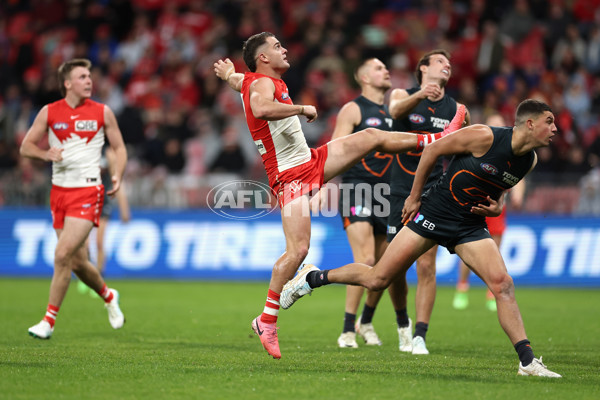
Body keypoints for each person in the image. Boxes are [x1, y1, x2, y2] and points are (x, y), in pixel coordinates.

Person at [213, 32, 466, 359]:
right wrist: (301, 109)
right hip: (289, 176)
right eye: (276, 47)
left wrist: (227, 75)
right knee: (298, 252)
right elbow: (260, 108)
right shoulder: (264, 85)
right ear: (263, 58)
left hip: (308, 161)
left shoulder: (253, 80)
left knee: (373, 136)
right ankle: (267, 320)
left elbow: (240, 82)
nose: (284, 49)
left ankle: (437, 139)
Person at [281, 99, 562, 378]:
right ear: (529, 123)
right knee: (378, 278)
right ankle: (311, 278)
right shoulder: (484, 136)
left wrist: (499, 205)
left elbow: (500, 187)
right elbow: (433, 150)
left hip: (469, 225)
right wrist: (414, 198)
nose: (555, 128)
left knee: (503, 285)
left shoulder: (530, 161)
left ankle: (527, 362)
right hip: (434, 214)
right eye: (549, 121)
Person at [20, 58, 127, 339]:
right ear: (67, 83)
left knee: (62, 254)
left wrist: (118, 174)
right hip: (59, 193)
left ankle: (48, 321)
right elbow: (26, 147)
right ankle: (108, 296)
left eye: (89, 75)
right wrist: (45, 154)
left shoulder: (103, 112)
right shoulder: (49, 112)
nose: (89, 80)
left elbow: (119, 147)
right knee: (77, 262)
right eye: (82, 76)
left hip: (88, 191)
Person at [387, 49, 470, 354]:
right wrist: (421, 93)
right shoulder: (404, 94)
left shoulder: (457, 109)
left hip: (431, 193)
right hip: (397, 191)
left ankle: (420, 335)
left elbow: (468, 149)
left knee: (426, 265)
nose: (447, 66)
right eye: (439, 62)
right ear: (423, 67)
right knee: (393, 269)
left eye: (449, 63)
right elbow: (395, 112)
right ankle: (402, 323)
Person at [325, 58, 394, 348]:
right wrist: (322, 183)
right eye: (378, 68)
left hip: (390, 193)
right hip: (359, 189)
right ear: (364, 77)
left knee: (384, 267)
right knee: (364, 259)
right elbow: (335, 148)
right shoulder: (354, 109)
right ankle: (346, 329)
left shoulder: (395, 111)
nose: (386, 70)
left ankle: (365, 321)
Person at [453, 114, 525, 312]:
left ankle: (492, 292)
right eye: (495, 125)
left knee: (495, 252)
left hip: (497, 210)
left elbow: (520, 177)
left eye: (501, 125)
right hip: (474, 206)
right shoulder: (480, 146)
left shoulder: (512, 153)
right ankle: (462, 287)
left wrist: (518, 195)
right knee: (468, 254)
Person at [78, 146, 131, 295]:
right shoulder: (86, 148)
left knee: (99, 242)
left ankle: (99, 279)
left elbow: (117, 179)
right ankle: (87, 278)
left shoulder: (108, 153)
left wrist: (124, 208)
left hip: (103, 201)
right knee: (84, 243)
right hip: (87, 199)